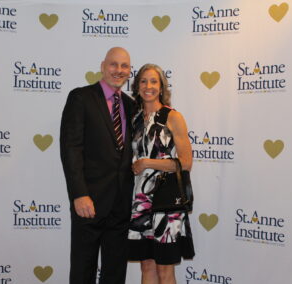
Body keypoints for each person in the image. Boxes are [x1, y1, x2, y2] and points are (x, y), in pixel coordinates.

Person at [60, 47, 135, 284]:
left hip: (121, 204)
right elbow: (71, 148)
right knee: (83, 270)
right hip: (89, 202)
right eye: (113, 65)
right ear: (103, 66)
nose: (118, 70)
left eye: (124, 66)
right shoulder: (81, 97)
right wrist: (79, 194)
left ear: (129, 71)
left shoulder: (133, 106)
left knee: (115, 273)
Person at [128, 64, 195, 284]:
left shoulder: (172, 116)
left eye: (154, 81)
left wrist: (148, 163)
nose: (149, 86)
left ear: (162, 86)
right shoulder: (134, 119)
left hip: (165, 200)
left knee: (165, 269)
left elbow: (185, 163)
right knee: (146, 266)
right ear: (137, 86)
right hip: (139, 201)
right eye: (144, 81)